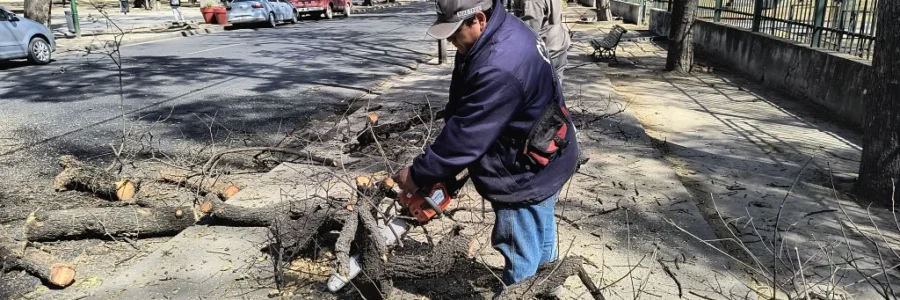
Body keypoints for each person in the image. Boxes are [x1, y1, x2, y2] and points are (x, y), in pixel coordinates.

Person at [393, 0, 578, 288]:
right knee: (539, 232)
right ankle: (546, 289)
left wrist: (417, 174)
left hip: (524, 172)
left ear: (478, 19)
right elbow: (462, 105)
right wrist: (444, 165)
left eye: (455, 33)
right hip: (546, 151)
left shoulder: (498, 64)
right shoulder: (498, 30)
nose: (452, 41)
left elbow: (467, 136)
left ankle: (522, 292)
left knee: (519, 249)